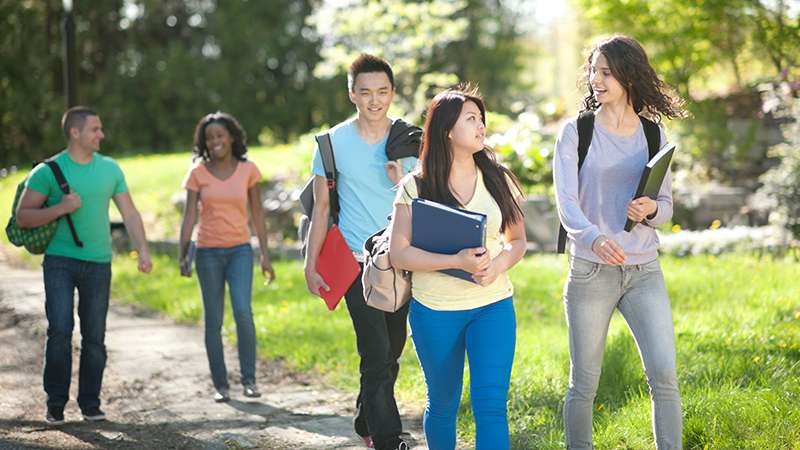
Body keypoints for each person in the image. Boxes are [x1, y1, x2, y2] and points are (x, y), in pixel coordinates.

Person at [552, 35, 687, 449]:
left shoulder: (653, 134)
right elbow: (566, 203)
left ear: (628, 75)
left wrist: (649, 210)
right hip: (592, 271)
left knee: (664, 375)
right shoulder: (577, 132)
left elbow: (666, 207)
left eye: (606, 72)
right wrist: (593, 239)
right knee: (584, 384)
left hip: (644, 270)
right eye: (593, 70)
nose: (596, 79)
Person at [389, 86, 526, 450]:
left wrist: (496, 265)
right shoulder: (414, 186)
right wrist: (457, 261)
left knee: (492, 405)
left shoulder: (500, 179)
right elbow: (398, 253)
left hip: (493, 307)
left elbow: (518, 241)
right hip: (435, 311)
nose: (481, 126)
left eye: (481, 119)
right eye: (471, 119)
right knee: (444, 403)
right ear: (447, 129)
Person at [303, 53, 417, 450]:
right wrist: (310, 264)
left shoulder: (408, 141)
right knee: (377, 352)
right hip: (356, 263)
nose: (374, 100)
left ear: (392, 93)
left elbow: (423, 201)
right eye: (365, 92)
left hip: (401, 260)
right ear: (352, 94)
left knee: (393, 349)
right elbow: (320, 208)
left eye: (382, 92)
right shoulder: (331, 143)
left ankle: (365, 416)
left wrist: (402, 178)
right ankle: (388, 439)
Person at [15, 106, 153, 424]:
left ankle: (90, 402)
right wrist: (61, 208)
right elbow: (24, 216)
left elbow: (130, 214)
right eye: (95, 129)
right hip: (60, 262)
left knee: (95, 336)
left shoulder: (110, 169)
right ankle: (56, 403)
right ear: (75, 133)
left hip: (99, 263)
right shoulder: (48, 171)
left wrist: (142, 250)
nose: (101, 134)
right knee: (61, 330)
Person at [178, 112, 275, 402]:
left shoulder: (248, 170)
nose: (215, 141)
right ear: (204, 143)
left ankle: (249, 380)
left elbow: (257, 214)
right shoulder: (197, 173)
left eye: (220, 135)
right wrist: (183, 254)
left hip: (240, 251)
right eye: (209, 138)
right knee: (213, 321)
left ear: (231, 137)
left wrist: (265, 256)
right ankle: (221, 385)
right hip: (207, 252)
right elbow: (189, 217)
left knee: (243, 313)